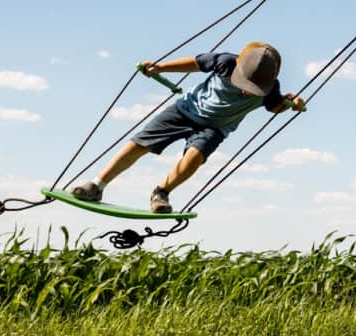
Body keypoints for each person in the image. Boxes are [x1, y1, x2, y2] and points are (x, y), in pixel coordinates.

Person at [70, 42, 305, 213]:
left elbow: (274, 107)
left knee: (193, 159)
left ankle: (161, 192)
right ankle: (96, 186)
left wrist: (291, 104)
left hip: (214, 128)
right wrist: (161, 68)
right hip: (185, 110)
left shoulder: (272, 88)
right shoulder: (225, 62)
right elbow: (195, 63)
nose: (246, 91)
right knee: (139, 144)